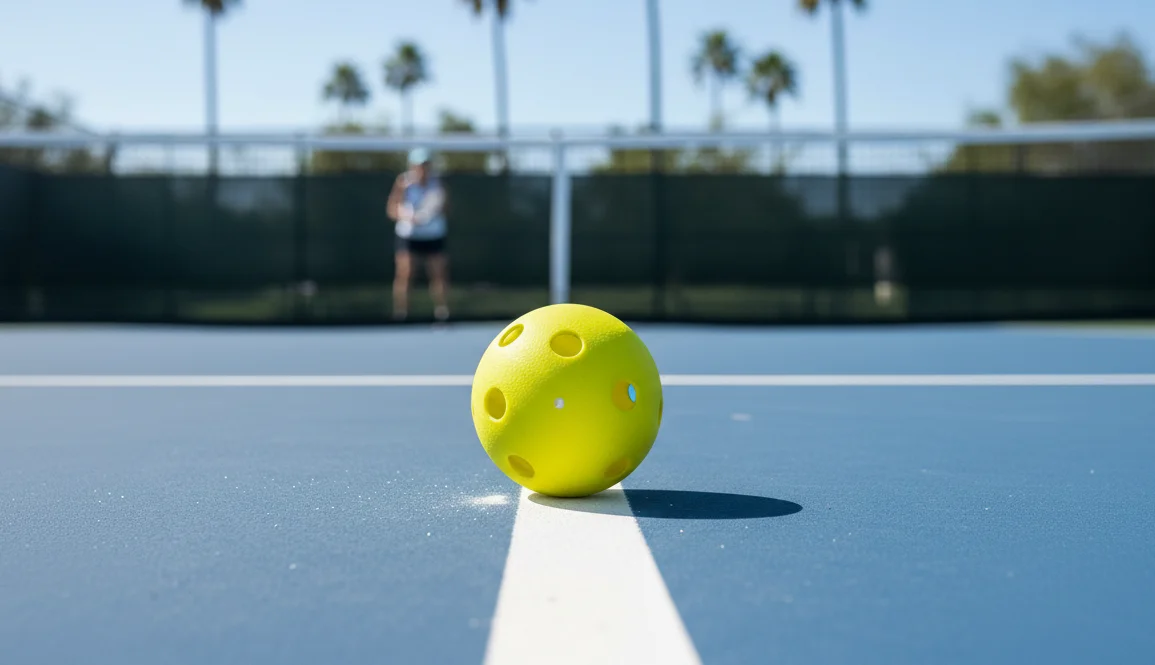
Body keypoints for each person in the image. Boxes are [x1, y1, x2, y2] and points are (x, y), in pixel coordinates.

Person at [387, 148, 450, 322]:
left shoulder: (438, 184)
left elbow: (446, 208)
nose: (422, 168)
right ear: (413, 166)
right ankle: (402, 313)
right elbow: (392, 209)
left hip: (434, 235)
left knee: (438, 273)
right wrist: (406, 216)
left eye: (425, 164)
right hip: (408, 235)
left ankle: (442, 312)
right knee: (405, 272)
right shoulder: (403, 182)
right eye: (419, 165)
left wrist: (433, 211)